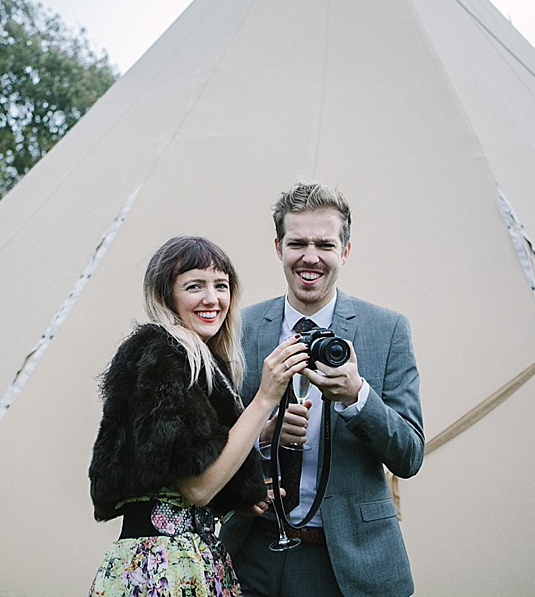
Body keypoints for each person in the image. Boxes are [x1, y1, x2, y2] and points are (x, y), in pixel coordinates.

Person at [219, 182, 425, 597]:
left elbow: (410, 455)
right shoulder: (236, 329)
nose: (309, 257)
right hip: (249, 552)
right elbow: (207, 450)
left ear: (345, 251)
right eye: (297, 243)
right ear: (279, 248)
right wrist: (261, 438)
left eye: (324, 244)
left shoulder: (387, 331)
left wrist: (356, 397)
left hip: (347, 563)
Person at [88, 236, 310, 596]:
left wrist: (262, 437)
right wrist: (265, 398)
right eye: (195, 286)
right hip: (161, 566)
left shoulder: (201, 361)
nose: (212, 299)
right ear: (166, 296)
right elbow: (198, 487)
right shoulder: (162, 352)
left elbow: (191, 456)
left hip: (195, 557)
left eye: (221, 286)